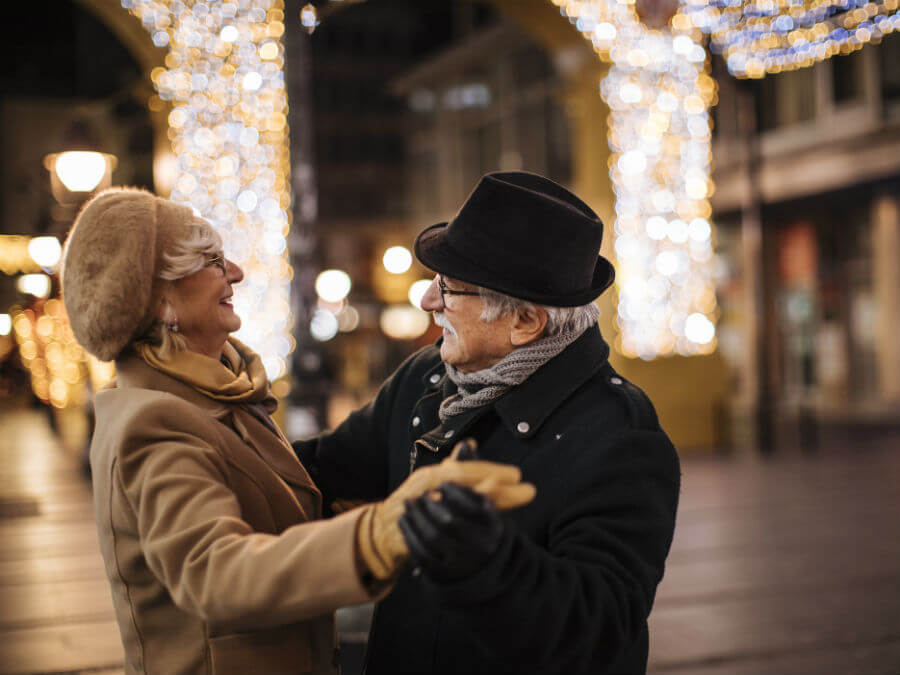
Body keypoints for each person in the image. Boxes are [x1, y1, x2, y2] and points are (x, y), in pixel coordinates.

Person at [60, 187, 534, 675]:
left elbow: (277, 507)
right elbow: (215, 573)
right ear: (162, 302)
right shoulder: (155, 421)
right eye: (212, 261)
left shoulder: (217, 394)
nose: (236, 273)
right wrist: (380, 533)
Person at [294, 171, 681, 675]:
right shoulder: (426, 378)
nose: (428, 301)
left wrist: (489, 561)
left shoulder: (621, 438)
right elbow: (319, 473)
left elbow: (597, 631)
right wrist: (220, 438)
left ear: (525, 322)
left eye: (449, 288)